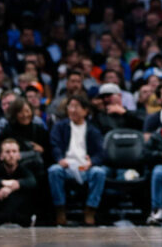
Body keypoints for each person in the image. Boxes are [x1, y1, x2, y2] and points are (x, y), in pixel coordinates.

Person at [48, 95, 105, 226]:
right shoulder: (60, 127)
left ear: (85, 111)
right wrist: (60, 159)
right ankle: (60, 210)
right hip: (66, 166)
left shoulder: (93, 130)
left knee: (99, 173)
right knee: (54, 170)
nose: (73, 110)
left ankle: (90, 210)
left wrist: (92, 162)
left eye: (77, 107)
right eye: (70, 106)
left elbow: (100, 153)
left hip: (85, 167)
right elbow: (54, 145)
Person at [0, 138, 37, 227]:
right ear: (1, 155)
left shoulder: (23, 170)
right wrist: (3, 183)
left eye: (14, 152)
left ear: (19, 155)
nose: (11, 155)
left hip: (20, 216)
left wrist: (12, 187)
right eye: (7, 152)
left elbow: (32, 182)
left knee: (24, 189)